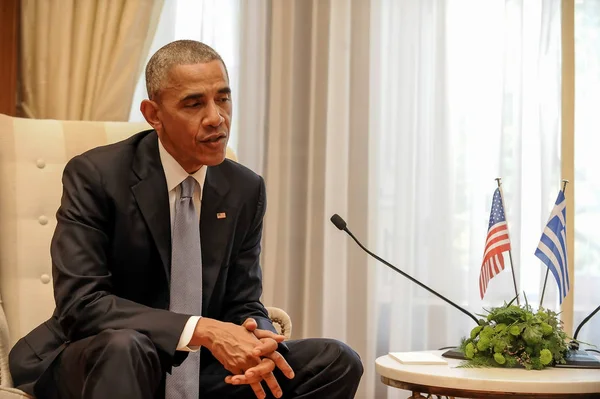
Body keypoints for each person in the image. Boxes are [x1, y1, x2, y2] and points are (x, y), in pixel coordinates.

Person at [8, 40, 363, 399]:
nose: (216, 117)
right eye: (194, 103)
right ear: (154, 114)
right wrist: (203, 330)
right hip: (95, 358)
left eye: (223, 98)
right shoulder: (97, 175)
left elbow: (243, 300)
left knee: (336, 359)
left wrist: (259, 340)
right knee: (126, 347)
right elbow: (82, 304)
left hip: (197, 370)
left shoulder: (244, 187)